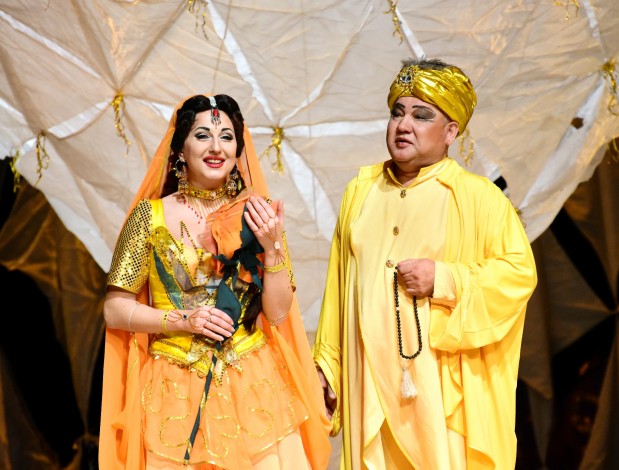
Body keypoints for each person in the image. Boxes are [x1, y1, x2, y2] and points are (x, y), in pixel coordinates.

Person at [313, 58, 538, 469]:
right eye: (397, 112)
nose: (404, 125)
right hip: (368, 381)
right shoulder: (360, 192)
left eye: (421, 116)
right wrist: (327, 366)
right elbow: (338, 289)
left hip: (437, 391)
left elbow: (519, 274)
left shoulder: (478, 197)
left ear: (450, 132)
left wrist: (445, 278)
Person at [99, 94, 331, 469]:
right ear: (180, 149)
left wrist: (273, 249)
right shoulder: (150, 216)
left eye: (226, 137)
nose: (216, 147)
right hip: (175, 387)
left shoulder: (257, 214)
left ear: (238, 150)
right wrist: (181, 321)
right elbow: (114, 309)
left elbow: (277, 314)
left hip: (253, 383)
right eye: (202, 135)